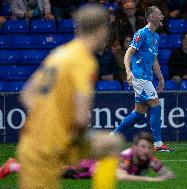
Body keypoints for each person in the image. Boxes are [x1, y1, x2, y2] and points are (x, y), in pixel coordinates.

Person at [16, 5, 123, 189]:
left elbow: (26, 95)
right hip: (44, 150)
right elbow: (81, 119)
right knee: (111, 142)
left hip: (38, 140)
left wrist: (49, 118)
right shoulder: (84, 62)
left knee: (111, 143)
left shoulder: (59, 53)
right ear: (102, 30)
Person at [111, 6, 174, 152]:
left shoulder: (156, 37)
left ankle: (112, 136)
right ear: (151, 17)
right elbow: (128, 53)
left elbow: (154, 60)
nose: (162, 16)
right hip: (139, 77)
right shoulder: (141, 33)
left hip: (148, 78)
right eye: (159, 14)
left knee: (139, 113)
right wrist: (128, 71)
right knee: (156, 105)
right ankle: (158, 144)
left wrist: (161, 78)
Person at [1, 132, 176, 182]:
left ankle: (15, 166)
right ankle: (13, 166)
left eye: (148, 148)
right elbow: (120, 176)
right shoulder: (126, 158)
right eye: (142, 147)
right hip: (85, 166)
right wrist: (152, 181)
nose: (146, 151)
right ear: (134, 148)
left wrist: (167, 175)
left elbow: (165, 172)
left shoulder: (148, 159)